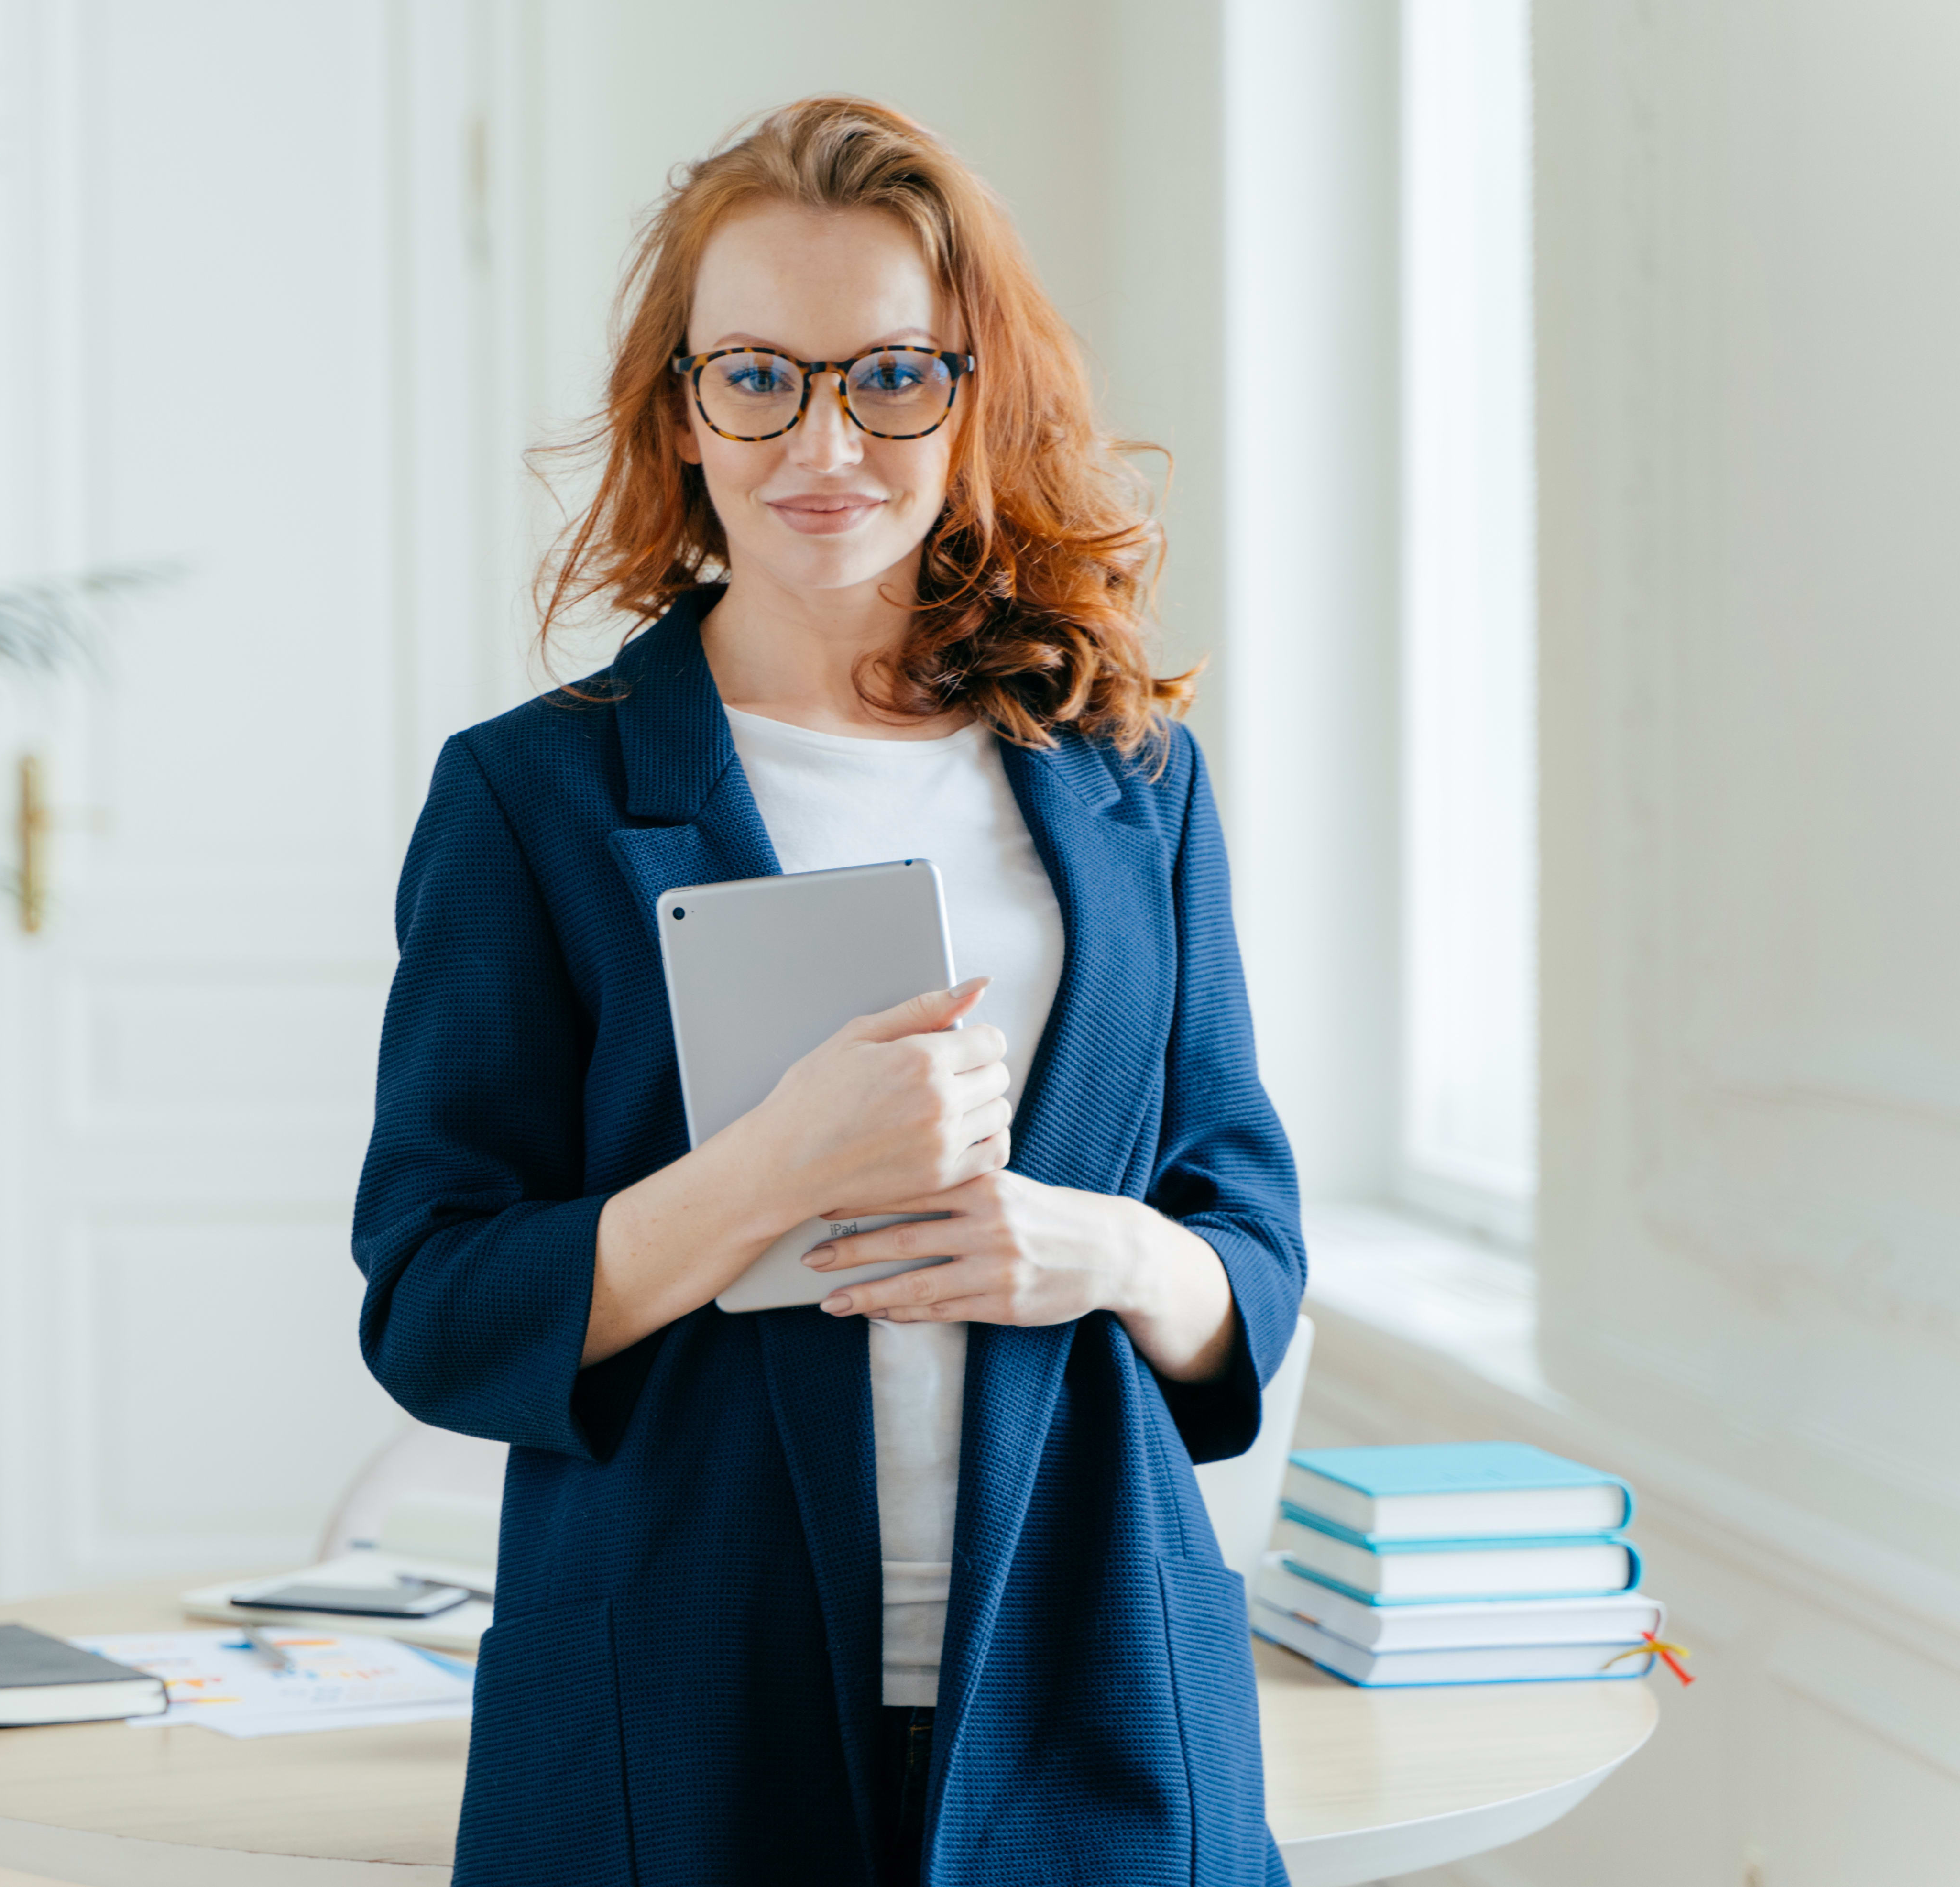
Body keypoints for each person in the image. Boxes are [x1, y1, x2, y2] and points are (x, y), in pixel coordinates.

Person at [353, 96, 1303, 1887]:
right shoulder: (531, 800)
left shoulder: (1132, 780)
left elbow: (1244, 1236)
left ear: (971, 395)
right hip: (680, 1691)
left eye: (887, 375)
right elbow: (435, 1301)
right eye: (757, 376)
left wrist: (1092, 1252)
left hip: (1092, 1678)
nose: (825, 441)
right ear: (682, 409)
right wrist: (772, 1170)